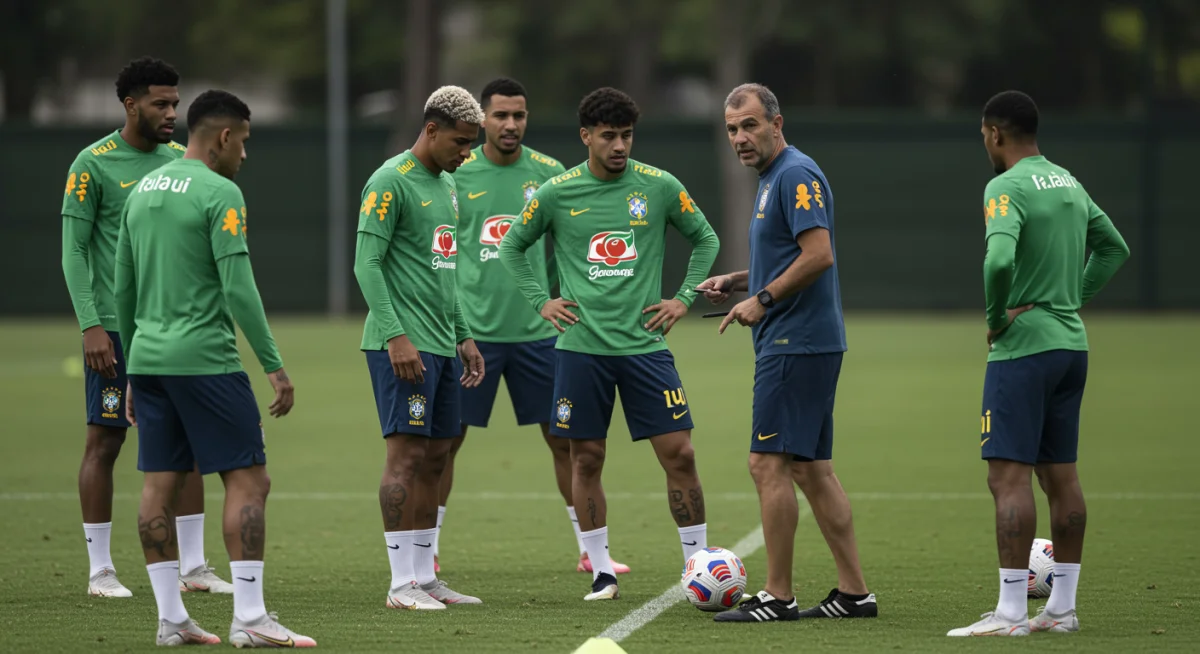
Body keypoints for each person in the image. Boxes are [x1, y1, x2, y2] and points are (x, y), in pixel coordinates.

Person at [500, 87, 719, 602]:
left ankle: (697, 567)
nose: (619, 145)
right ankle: (601, 570)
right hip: (581, 350)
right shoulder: (556, 192)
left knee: (680, 454)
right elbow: (512, 245)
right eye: (608, 136)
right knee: (586, 459)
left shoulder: (659, 186)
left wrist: (684, 298)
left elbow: (705, 237)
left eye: (626, 135)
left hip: (645, 348)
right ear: (586, 137)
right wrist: (541, 302)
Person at [116, 89, 314, 647]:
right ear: (224, 137)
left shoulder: (141, 191)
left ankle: (171, 620)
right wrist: (274, 365)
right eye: (245, 142)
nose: (245, 155)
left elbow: (122, 289)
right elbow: (239, 288)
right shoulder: (221, 192)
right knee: (249, 479)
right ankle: (250, 619)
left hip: (150, 361)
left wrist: (133, 369)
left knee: (159, 484)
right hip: (205, 360)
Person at [946, 90, 1129, 637]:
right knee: (1061, 477)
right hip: (1072, 346)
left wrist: (997, 316)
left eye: (984, 135)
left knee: (1007, 478)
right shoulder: (1068, 181)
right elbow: (1114, 247)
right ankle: (1062, 610)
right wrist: (1068, 299)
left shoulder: (1005, 186)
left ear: (995, 133)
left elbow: (999, 257)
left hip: (1023, 349)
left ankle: (1009, 614)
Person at [699, 83, 876, 623]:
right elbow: (788, 256)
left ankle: (777, 596)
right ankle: (854, 594)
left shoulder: (795, 174)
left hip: (792, 342)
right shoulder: (773, 178)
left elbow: (819, 255)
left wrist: (764, 298)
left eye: (750, 125)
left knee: (766, 463)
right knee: (812, 469)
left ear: (778, 123)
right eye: (732, 129)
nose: (740, 138)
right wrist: (739, 281)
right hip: (806, 341)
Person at [60, 56, 230, 598]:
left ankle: (195, 567)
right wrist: (91, 325)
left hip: (172, 330)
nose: (171, 113)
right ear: (130, 105)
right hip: (112, 330)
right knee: (105, 440)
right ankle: (100, 570)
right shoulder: (92, 163)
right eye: (161, 103)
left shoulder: (183, 162)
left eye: (176, 103)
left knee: (191, 444)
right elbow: (74, 251)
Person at [447, 77, 629, 576]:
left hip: (542, 335)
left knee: (565, 441)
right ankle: (429, 547)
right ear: (482, 118)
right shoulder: (455, 173)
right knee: (445, 442)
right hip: (473, 335)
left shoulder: (552, 175)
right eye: (500, 115)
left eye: (519, 115)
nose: (510, 124)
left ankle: (590, 550)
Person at [354, 85, 487, 610]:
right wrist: (395, 336)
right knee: (405, 457)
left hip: (440, 344)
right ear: (431, 129)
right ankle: (399, 584)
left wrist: (464, 335)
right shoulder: (390, 181)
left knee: (437, 457)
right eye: (460, 141)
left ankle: (425, 575)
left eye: (472, 144)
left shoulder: (449, 186)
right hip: (401, 346)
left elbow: (444, 271)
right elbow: (366, 265)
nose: (467, 153)